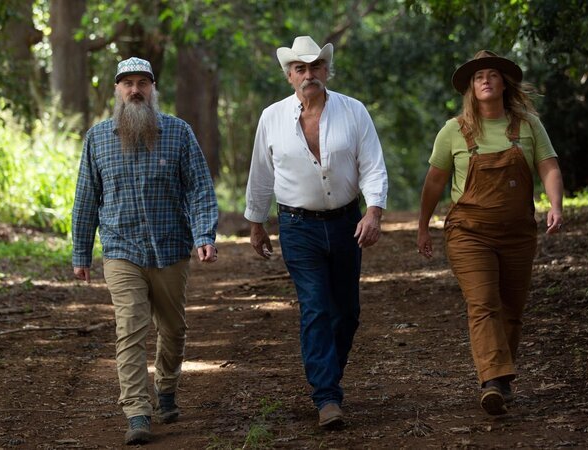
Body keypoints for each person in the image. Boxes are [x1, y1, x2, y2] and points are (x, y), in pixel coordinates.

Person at [71, 56, 219, 444]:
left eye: (142, 83)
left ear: (153, 89)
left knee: (173, 329)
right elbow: (87, 199)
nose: (135, 90)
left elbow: (200, 189)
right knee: (130, 329)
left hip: (171, 248)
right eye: (127, 83)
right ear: (117, 91)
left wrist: (204, 235)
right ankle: (137, 411)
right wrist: (81, 253)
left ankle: (166, 388)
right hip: (121, 249)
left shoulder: (178, 132)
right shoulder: (98, 138)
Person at [244, 36, 388, 428]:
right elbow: (261, 173)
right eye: (301, 69)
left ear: (326, 71)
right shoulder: (272, 117)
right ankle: (326, 396)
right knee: (315, 307)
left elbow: (373, 165)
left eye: (316, 68)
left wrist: (373, 212)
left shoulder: (354, 111)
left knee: (347, 312)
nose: (309, 75)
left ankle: (328, 378)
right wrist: (256, 224)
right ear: (290, 76)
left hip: (346, 223)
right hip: (297, 226)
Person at [416, 50, 564, 416]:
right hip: (469, 232)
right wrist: (423, 226)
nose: (485, 80)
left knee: (512, 309)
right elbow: (434, 182)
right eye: (478, 75)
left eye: (493, 75)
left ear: (504, 83)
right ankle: (492, 381)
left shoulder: (528, 125)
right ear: (470, 86)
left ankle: (502, 378)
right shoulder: (454, 130)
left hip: (518, 232)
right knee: (484, 304)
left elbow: (549, 168)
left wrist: (556, 205)